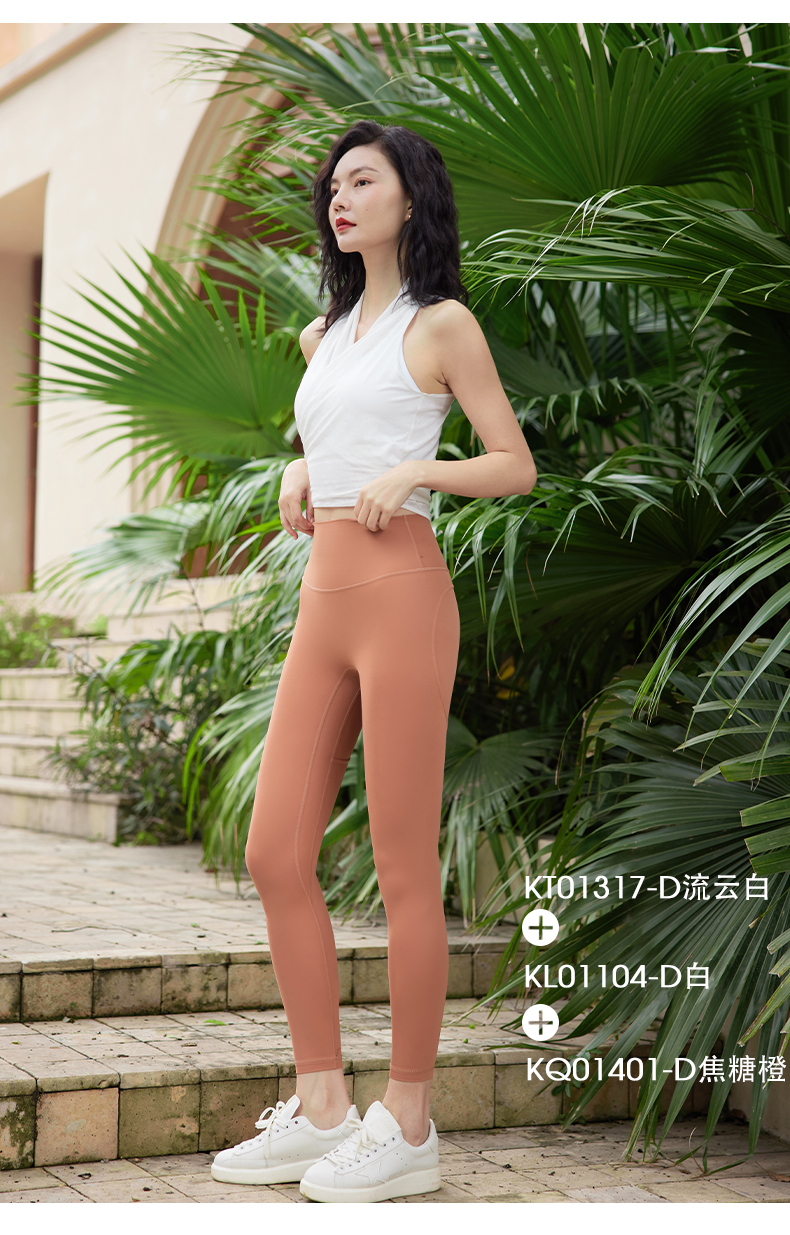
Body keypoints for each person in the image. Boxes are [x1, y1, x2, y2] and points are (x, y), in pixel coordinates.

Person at [211, 118, 537, 1203]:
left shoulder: (441, 324)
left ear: (409, 198)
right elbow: (334, 435)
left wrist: (421, 472)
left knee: (400, 860)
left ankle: (407, 1120)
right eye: (333, 185)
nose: (339, 198)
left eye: (363, 180)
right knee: (274, 851)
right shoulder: (323, 334)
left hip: (403, 595)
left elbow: (513, 463)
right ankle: (321, 1108)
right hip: (324, 597)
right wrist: (300, 469)